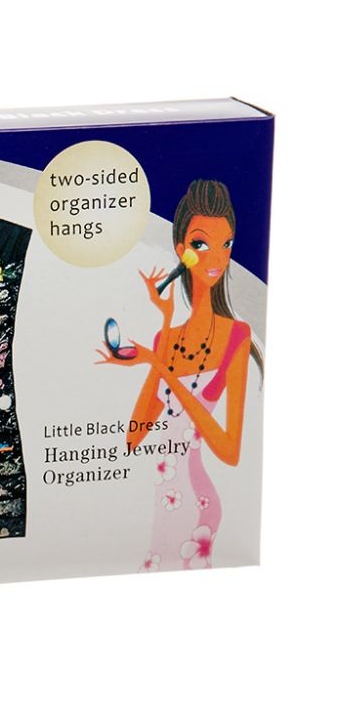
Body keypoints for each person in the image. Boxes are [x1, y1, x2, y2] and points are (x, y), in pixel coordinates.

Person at [97, 179, 264, 572]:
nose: (217, 258)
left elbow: (229, 450)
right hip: (164, 503)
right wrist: (165, 327)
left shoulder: (236, 336)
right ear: (180, 250)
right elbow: (134, 436)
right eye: (202, 244)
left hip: (198, 505)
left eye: (227, 244)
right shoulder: (166, 337)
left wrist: (158, 366)